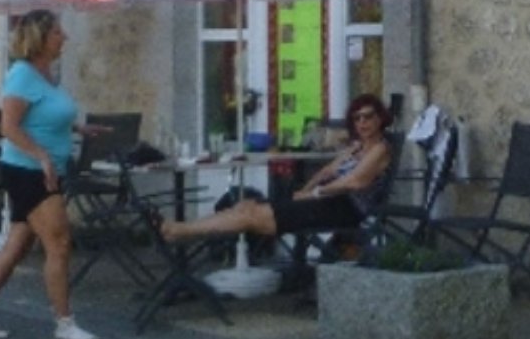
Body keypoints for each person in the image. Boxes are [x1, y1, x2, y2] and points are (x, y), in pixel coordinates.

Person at [0, 8, 97, 339]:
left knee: (17, 246)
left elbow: (43, 115)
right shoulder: (21, 74)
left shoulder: (45, 74)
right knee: (60, 242)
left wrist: (78, 126)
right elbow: (8, 126)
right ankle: (64, 323)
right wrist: (42, 156)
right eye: (57, 32)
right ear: (39, 39)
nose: (63, 36)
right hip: (29, 170)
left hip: (45, 168)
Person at [156, 94, 395, 255]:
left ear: (380, 118)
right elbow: (327, 170)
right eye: (357, 118)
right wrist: (305, 190)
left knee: (253, 216)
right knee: (245, 206)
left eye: (369, 116)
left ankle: (180, 232)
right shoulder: (355, 147)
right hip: (323, 200)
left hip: (345, 209)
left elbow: (355, 182)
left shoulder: (380, 149)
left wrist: (315, 192)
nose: (363, 122)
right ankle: (182, 229)